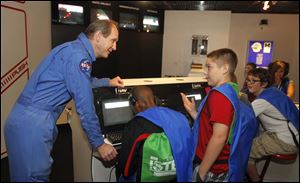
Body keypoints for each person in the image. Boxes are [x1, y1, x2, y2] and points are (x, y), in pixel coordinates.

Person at [4, 20, 124, 182]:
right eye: (113, 40)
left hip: (23, 121)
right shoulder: (79, 57)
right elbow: (85, 107)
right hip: (33, 125)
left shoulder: (72, 50)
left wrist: (107, 82)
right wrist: (99, 144)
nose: (115, 47)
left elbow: (79, 82)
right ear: (98, 36)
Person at [181, 48, 257, 182]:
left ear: (225, 68)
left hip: (212, 168)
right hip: (220, 164)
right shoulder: (231, 89)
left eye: (209, 67)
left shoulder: (219, 96)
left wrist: (202, 172)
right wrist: (193, 112)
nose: (205, 71)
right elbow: (214, 125)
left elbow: (220, 136)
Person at [116, 86, 193, 182]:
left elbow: (126, 170)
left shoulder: (134, 126)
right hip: (178, 176)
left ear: (136, 103)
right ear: (155, 100)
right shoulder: (180, 117)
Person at [246, 68, 299, 182]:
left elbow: (243, 118)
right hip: (292, 137)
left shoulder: (261, 101)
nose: (249, 83)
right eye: (248, 80)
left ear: (264, 84)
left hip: (285, 141)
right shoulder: (274, 92)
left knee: (245, 153)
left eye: (253, 81)